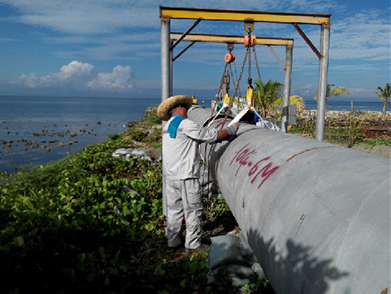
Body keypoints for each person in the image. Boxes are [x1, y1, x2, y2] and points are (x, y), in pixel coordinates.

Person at [157, 95, 239, 252]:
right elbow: (211, 136)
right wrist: (230, 130)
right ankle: (193, 244)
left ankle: (173, 242)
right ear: (180, 107)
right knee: (192, 210)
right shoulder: (186, 124)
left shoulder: (168, 126)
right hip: (186, 176)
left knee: (174, 210)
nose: (187, 111)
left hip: (171, 176)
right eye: (186, 108)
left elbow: (184, 142)